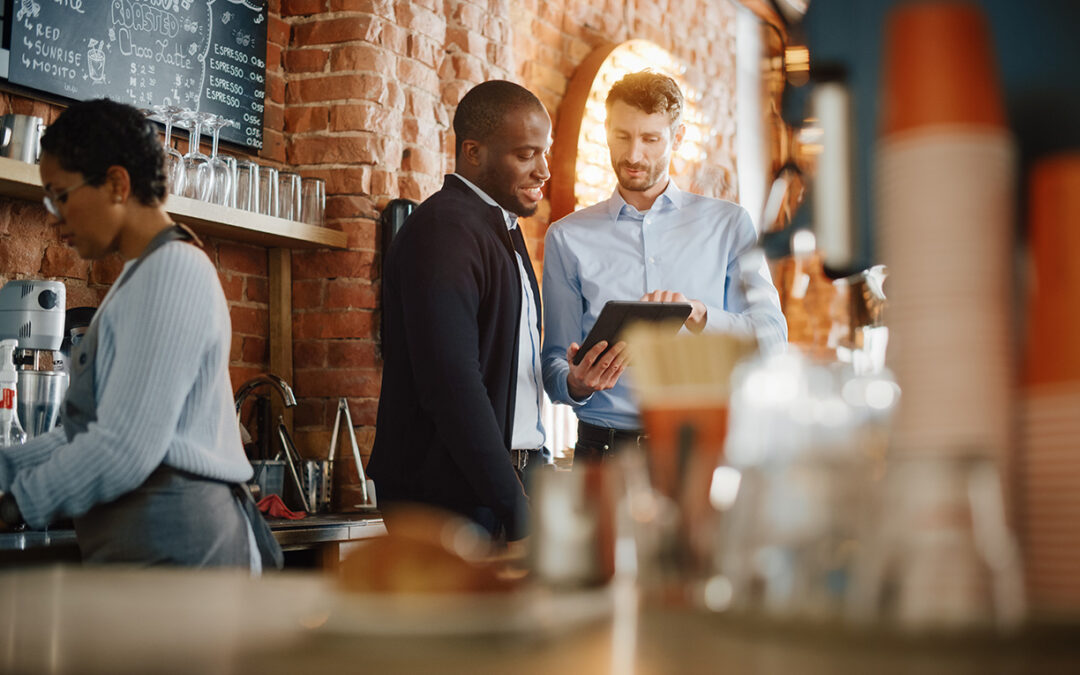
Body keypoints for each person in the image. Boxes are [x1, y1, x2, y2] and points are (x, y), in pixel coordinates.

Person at [0, 99, 280, 571]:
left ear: (116, 183)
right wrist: (7, 471)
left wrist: (13, 504)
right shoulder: (139, 276)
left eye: (60, 196)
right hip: (148, 552)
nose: (53, 216)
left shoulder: (173, 271)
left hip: (183, 554)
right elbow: (79, 434)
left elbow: (123, 447)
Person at [542, 71, 787, 462]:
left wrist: (702, 315)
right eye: (622, 136)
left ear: (679, 137)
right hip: (604, 453)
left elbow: (773, 336)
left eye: (651, 139)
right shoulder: (566, 236)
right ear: (606, 130)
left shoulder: (729, 224)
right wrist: (576, 382)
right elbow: (554, 362)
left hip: (704, 449)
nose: (633, 155)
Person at [367, 81, 553, 542]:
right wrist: (512, 502)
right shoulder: (446, 229)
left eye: (545, 153)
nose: (543, 170)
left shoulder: (496, 227)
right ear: (473, 152)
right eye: (526, 155)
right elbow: (452, 385)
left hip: (497, 484)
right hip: (452, 498)